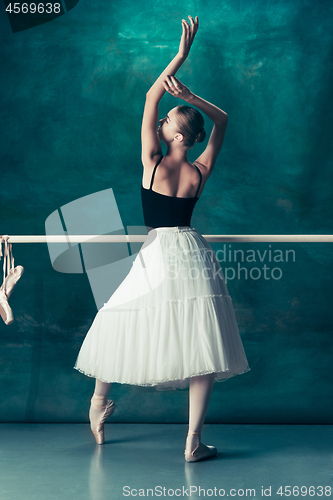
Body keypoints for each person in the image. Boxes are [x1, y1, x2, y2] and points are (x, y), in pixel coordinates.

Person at [74, 16, 250, 462]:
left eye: (169, 116)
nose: (162, 115)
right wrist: (192, 98)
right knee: (202, 341)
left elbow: (152, 94)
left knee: (119, 317)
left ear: (174, 135)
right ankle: (193, 440)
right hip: (191, 250)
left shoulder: (151, 160)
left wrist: (179, 58)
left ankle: (97, 404)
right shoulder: (198, 171)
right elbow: (223, 121)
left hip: (158, 251)